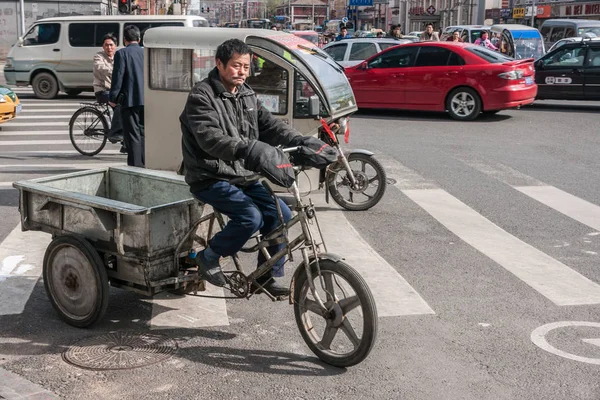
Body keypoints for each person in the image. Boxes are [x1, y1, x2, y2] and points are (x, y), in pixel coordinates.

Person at [179, 39, 336, 296]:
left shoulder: (247, 94)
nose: (241, 71)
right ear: (219, 64)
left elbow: (271, 126)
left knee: (282, 215)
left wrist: (302, 141)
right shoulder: (201, 96)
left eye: (246, 66)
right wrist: (250, 149)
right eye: (235, 66)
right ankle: (210, 255)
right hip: (209, 175)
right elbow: (211, 140)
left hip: (243, 174)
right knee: (250, 217)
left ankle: (264, 277)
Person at [109, 25, 145, 168]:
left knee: (132, 137)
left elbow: (118, 77)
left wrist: (113, 98)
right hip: (146, 100)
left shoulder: (122, 54)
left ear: (124, 40)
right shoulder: (145, 53)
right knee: (143, 135)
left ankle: (136, 168)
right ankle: (145, 165)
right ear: (139, 38)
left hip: (130, 101)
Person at [93, 34, 124, 147]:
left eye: (111, 45)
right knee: (119, 104)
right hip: (102, 91)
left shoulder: (118, 56)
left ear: (115, 46)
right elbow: (102, 68)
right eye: (106, 45)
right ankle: (114, 132)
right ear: (103, 46)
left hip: (114, 90)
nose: (109, 48)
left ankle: (125, 143)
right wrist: (117, 71)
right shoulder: (98, 57)